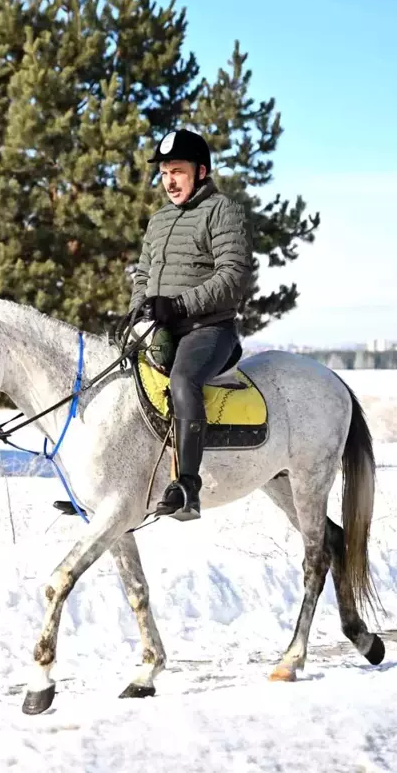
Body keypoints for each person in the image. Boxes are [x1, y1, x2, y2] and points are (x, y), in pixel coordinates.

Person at [133, 129, 253, 520]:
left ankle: (187, 487)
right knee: (120, 373)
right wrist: (139, 313)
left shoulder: (223, 211)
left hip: (208, 330)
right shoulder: (158, 220)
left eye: (178, 171)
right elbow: (143, 275)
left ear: (201, 172)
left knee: (183, 380)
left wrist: (179, 306)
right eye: (164, 172)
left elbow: (232, 277)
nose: (169, 180)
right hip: (161, 327)